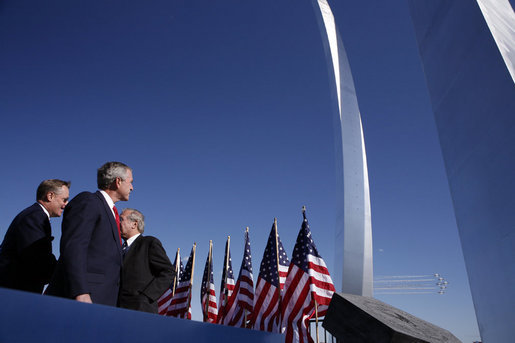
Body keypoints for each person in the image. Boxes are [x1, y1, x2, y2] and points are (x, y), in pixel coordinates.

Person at [46, 162, 133, 306]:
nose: (132, 187)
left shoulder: (111, 212)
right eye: (130, 182)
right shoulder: (89, 201)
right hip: (84, 297)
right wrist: (80, 291)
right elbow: (74, 246)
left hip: (103, 299)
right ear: (118, 181)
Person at [0, 179, 70, 293]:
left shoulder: (35, 216)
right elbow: (37, 259)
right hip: (15, 293)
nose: (66, 204)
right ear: (50, 196)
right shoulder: (35, 217)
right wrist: (66, 271)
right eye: (64, 200)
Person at [118, 208, 174, 313]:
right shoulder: (119, 249)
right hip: (117, 308)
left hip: (140, 309)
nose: (118, 221)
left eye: (121, 219)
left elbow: (168, 272)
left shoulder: (149, 243)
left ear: (134, 224)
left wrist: (146, 297)